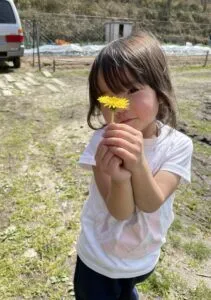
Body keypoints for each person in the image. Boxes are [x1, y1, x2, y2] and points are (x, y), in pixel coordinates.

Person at [73, 31, 193, 300]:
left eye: (132, 90)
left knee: (127, 290)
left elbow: (152, 203)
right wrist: (117, 178)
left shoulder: (178, 146)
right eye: (107, 96)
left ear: (159, 93)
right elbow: (121, 212)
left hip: (142, 257)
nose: (120, 104)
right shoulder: (101, 143)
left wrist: (138, 165)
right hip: (99, 258)